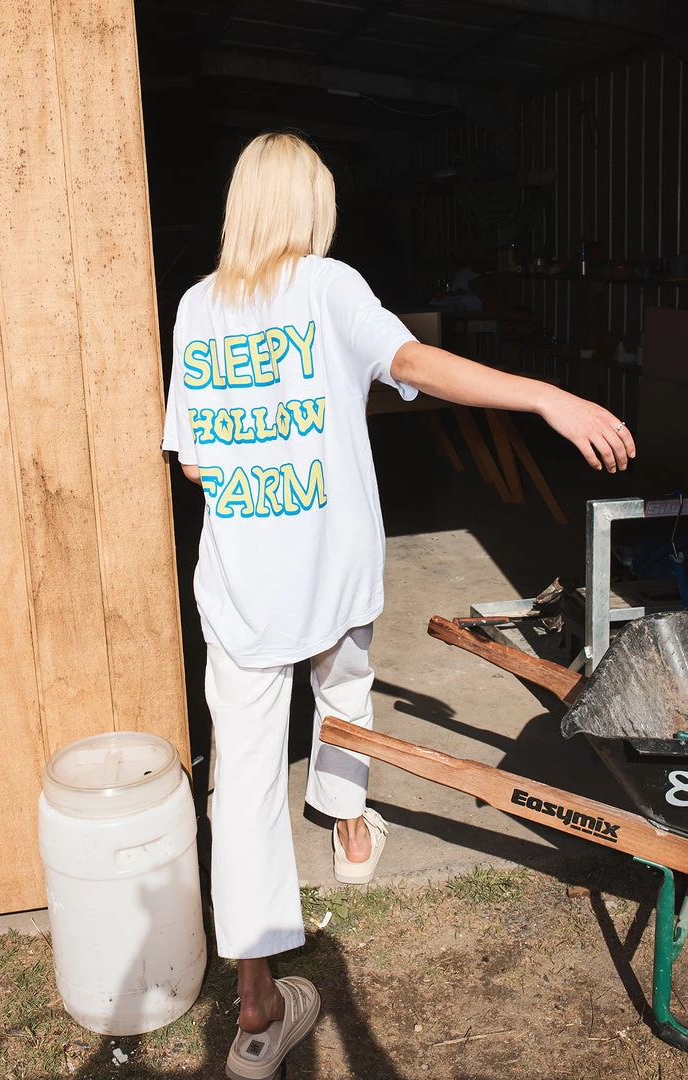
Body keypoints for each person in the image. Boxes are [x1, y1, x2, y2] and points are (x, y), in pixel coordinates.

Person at [161, 132, 635, 1080]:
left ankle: (254, 1004)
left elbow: (195, 462)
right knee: (343, 692)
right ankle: (348, 830)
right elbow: (416, 362)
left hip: (241, 584)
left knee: (241, 783)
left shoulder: (196, 306)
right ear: (311, 206)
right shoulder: (327, 286)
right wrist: (546, 396)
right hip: (330, 573)